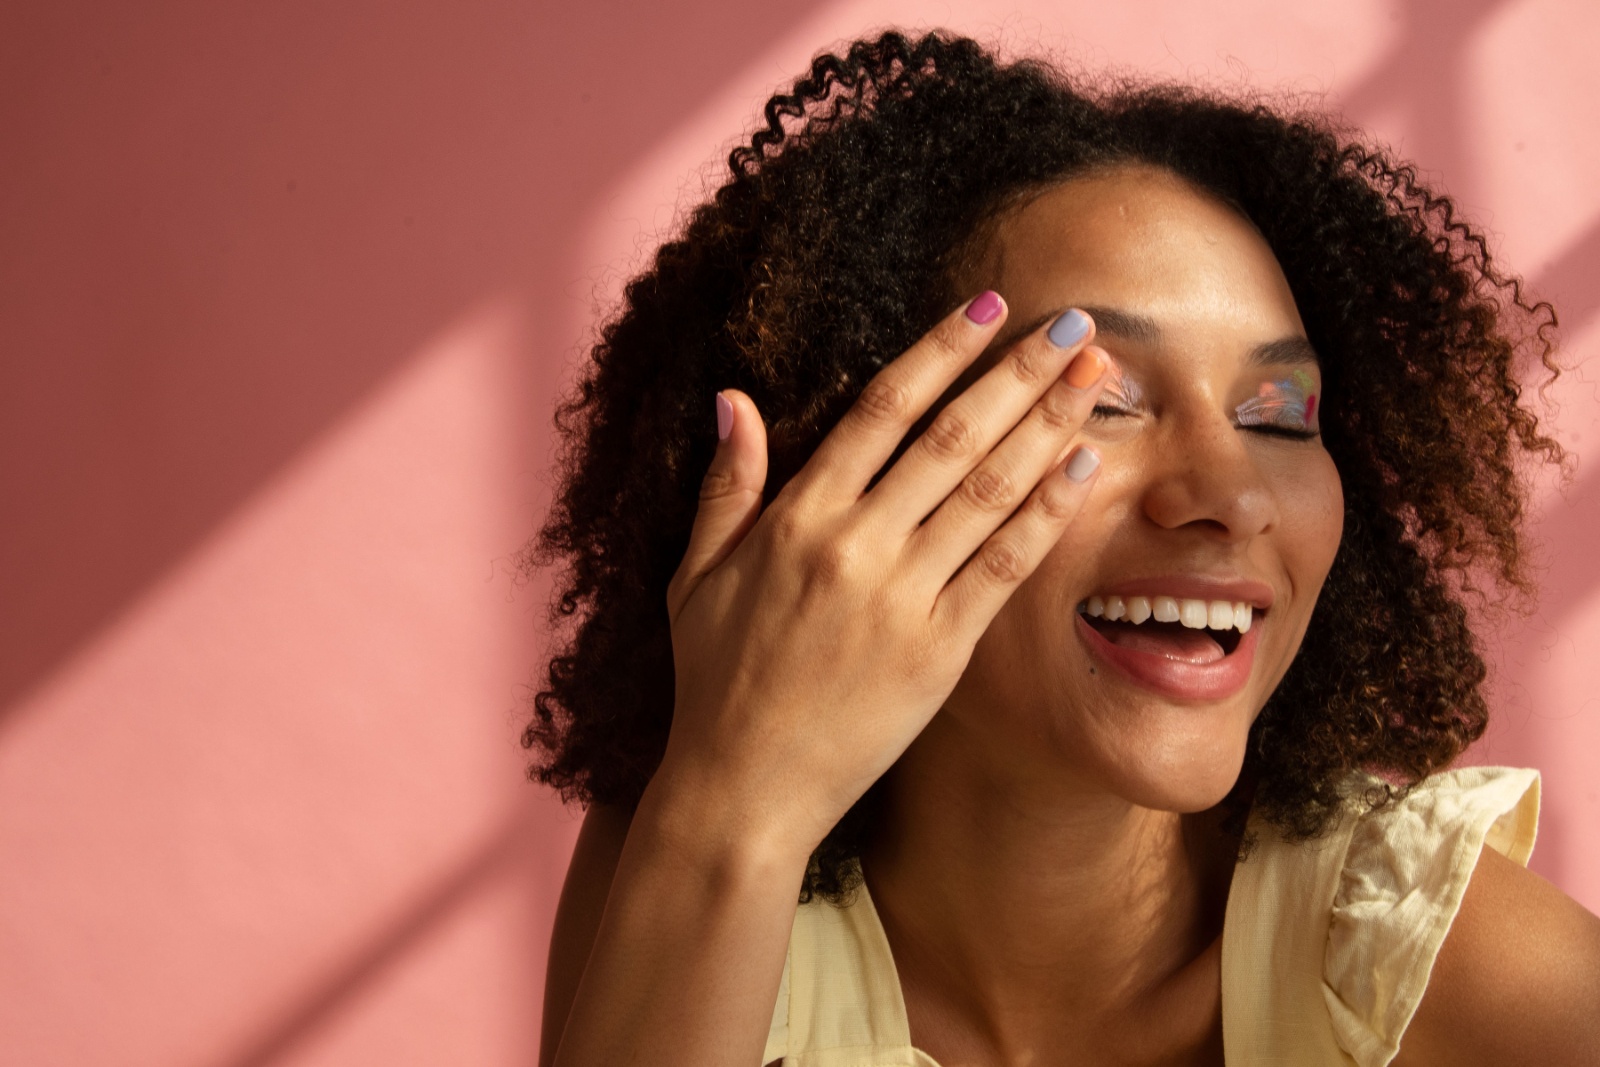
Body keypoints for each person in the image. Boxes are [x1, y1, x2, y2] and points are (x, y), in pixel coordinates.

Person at [524, 31, 1600, 1067]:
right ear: (844, 474)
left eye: (1278, 415)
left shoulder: (1404, 952)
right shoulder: (703, 845)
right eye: (1101, 400)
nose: (1230, 495)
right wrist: (738, 803)